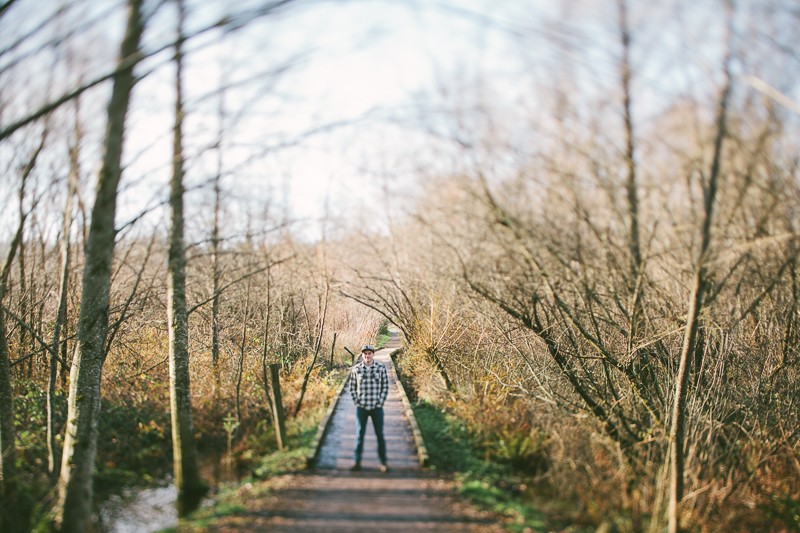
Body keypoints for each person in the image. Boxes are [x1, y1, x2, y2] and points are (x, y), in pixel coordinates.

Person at [349, 344, 389, 472]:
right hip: (362, 408)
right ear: (362, 355)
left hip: (376, 408)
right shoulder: (356, 369)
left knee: (380, 435)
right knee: (359, 435)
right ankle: (357, 462)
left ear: (373, 354)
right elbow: (352, 388)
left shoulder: (381, 368)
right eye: (365, 354)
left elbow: (385, 386)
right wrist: (357, 402)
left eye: (369, 353)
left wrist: (380, 402)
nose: (367, 356)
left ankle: (383, 463)